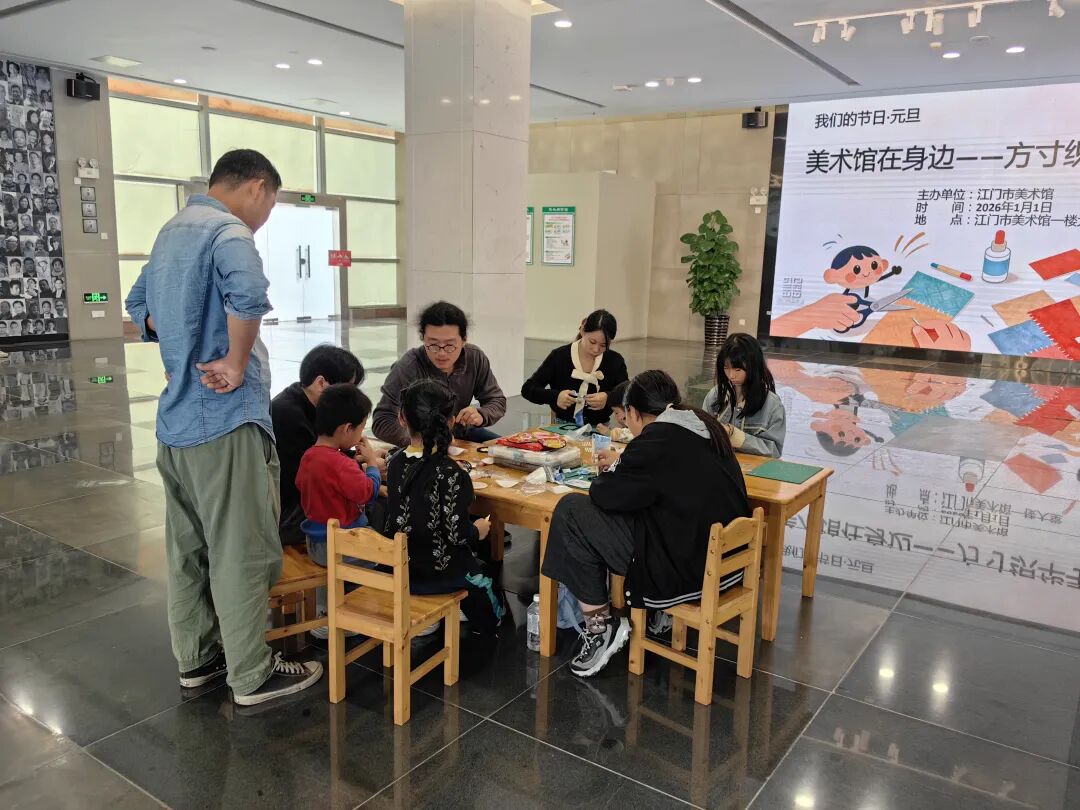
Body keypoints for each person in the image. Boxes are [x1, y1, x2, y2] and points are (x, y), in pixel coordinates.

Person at [125, 148, 323, 707]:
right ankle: (252, 674)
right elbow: (249, 295)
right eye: (271, 205)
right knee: (241, 551)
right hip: (224, 423)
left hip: (176, 425)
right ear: (257, 187)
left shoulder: (171, 232)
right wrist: (235, 361)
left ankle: (198, 661)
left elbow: (138, 304)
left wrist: (181, 345)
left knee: (188, 550)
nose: (264, 217)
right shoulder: (228, 232)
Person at [542, 370, 751, 678]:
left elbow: (607, 496)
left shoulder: (656, 440)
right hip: (727, 564)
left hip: (686, 570)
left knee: (570, 511)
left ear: (634, 413)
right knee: (632, 514)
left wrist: (613, 471)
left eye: (625, 417)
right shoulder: (702, 423)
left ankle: (600, 628)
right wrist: (624, 464)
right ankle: (656, 615)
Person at [383, 380, 503, 633]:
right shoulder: (451, 473)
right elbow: (457, 535)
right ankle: (452, 611)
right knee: (491, 596)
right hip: (443, 573)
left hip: (400, 569)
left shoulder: (394, 462)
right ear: (450, 421)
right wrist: (478, 530)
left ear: (402, 419)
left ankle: (434, 612)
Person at [294, 383, 383, 628]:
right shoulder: (341, 464)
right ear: (346, 428)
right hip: (343, 544)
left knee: (330, 571)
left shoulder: (309, 456)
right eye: (361, 428)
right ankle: (356, 613)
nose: (361, 434)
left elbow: (304, 483)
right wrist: (372, 465)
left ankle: (323, 615)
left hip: (315, 542)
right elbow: (367, 493)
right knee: (386, 556)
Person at [372, 301, 506, 447]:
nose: (441, 353)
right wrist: (423, 439)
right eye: (433, 344)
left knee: (510, 450)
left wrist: (481, 414)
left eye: (450, 345)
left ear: (464, 340)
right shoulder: (408, 366)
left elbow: (496, 400)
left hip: (461, 432)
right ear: (423, 338)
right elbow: (382, 422)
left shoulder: (474, 357)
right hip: (422, 441)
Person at [271, 343, 367, 546]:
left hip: (302, 500)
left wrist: (360, 459)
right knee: (371, 504)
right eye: (346, 390)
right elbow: (319, 474)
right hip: (289, 514)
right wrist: (364, 467)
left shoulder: (306, 400)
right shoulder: (288, 416)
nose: (351, 398)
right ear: (321, 383)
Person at [521, 309, 629, 428]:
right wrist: (555, 396)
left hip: (600, 429)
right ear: (583, 329)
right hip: (561, 428)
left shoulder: (614, 360)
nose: (596, 349)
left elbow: (628, 393)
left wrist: (609, 398)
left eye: (603, 345)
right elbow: (528, 389)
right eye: (592, 342)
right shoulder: (559, 356)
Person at [702, 333, 786, 458]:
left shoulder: (772, 404)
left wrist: (735, 436)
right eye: (726, 368)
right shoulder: (715, 396)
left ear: (753, 366)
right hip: (719, 465)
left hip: (754, 468)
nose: (731, 375)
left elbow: (774, 451)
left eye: (738, 370)